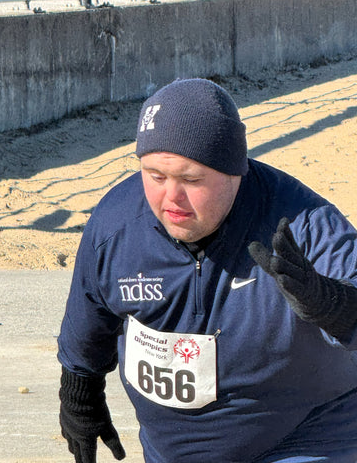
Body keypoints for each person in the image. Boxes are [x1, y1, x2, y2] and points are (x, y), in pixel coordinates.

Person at [58, 78, 357, 463]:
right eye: (155, 175)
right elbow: (90, 312)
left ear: (235, 171)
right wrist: (80, 395)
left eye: (191, 179)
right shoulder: (117, 222)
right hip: (174, 449)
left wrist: (330, 302)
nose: (171, 197)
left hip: (306, 434)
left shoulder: (302, 222)